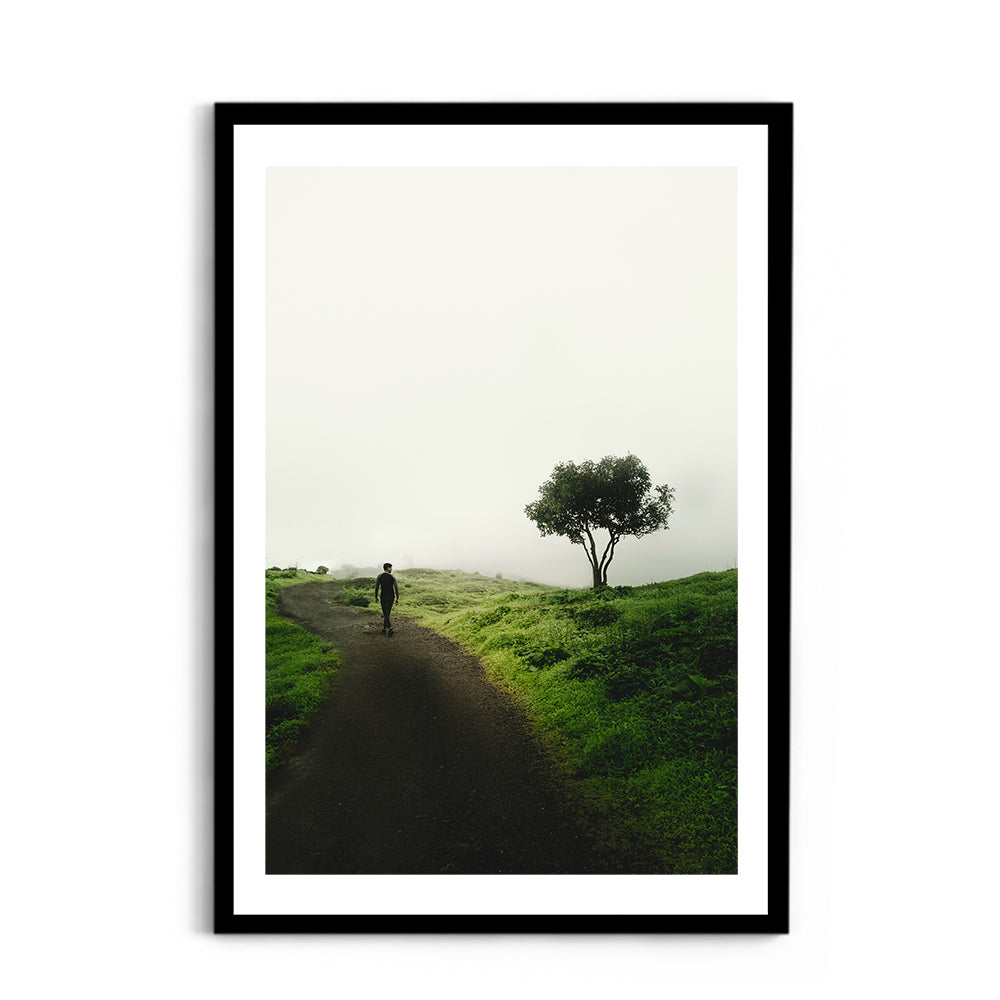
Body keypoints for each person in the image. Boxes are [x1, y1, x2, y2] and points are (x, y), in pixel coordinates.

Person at [374, 562, 400, 635]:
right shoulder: (392, 577)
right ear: (388, 568)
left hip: (383, 596)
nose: (391, 569)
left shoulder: (380, 576)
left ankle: (385, 628)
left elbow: (377, 587)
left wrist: (376, 596)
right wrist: (397, 598)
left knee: (385, 612)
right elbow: (396, 588)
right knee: (387, 612)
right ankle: (388, 628)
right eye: (391, 568)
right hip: (391, 596)